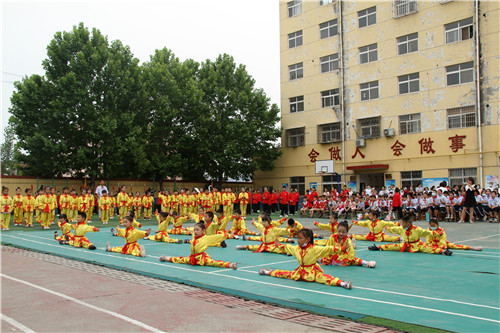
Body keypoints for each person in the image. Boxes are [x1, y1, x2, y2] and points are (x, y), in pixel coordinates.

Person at [258, 228, 352, 289]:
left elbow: (328, 249)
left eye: (300, 238)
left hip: (312, 272)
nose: (298, 240)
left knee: (325, 278)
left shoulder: (314, 249)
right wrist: (278, 245)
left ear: (307, 239)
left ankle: (343, 283)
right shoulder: (296, 248)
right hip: (300, 272)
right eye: (297, 238)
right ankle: (267, 272)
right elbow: (287, 247)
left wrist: (343, 248)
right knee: (285, 274)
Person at [159, 222, 237, 269]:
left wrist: (229, 235)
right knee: (181, 260)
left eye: (197, 230)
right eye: (194, 230)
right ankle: (167, 258)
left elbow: (217, 237)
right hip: (192, 257)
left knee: (214, 263)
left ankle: (230, 265)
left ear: (203, 231)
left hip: (202, 258)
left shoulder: (206, 238)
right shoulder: (194, 237)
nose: (195, 232)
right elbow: (193, 242)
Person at [368, 215, 452, 255]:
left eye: (403, 223)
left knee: (431, 249)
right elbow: (394, 229)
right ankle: (378, 247)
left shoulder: (417, 229)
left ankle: (444, 251)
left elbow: (428, 233)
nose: (402, 225)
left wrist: (439, 233)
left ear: (408, 224)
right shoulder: (401, 228)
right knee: (391, 246)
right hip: (405, 245)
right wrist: (388, 228)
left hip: (417, 245)